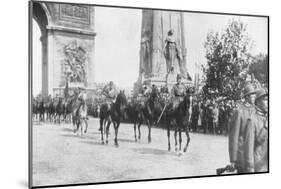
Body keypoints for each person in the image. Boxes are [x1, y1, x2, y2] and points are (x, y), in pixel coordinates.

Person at [228, 83, 257, 173]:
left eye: (254, 94)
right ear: (247, 96)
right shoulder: (239, 111)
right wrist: (233, 159)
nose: (254, 96)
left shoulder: (256, 110)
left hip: (254, 154)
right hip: (242, 155)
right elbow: (234, 136)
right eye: (252, 94)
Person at [244, 88, 268, 172]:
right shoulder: (252, 120)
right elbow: (249, 147)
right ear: (257, 102)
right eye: (265, 100)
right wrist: (250, 168)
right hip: (259, 166)